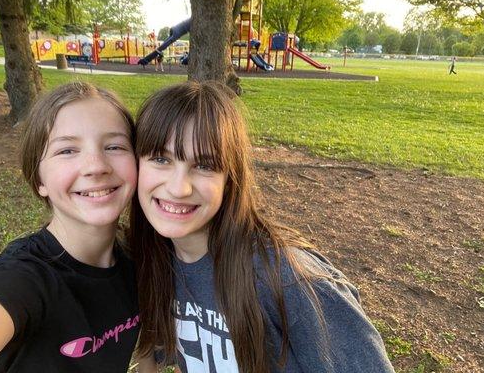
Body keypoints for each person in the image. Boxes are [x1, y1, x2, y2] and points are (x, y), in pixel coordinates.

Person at [129, 81, 395, 372]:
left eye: (205, 165)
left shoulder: (287, 278)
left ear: (229, 179)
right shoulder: (156, 261)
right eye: (160, 159)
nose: (179, 188)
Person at [0, 82, 157, 372]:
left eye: (114, 146)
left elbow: (146, 352)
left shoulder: (136, 258)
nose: (96, 166)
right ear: (39, 179)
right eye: (67, 150)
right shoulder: (24, 278)